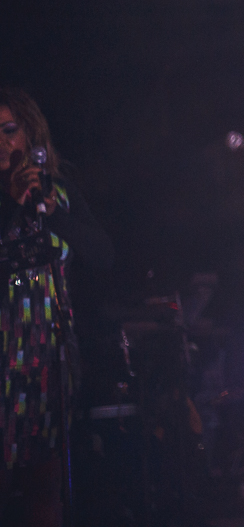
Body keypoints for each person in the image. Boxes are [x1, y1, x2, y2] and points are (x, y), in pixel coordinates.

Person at [0, 88, 114, 527]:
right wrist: (12, 204)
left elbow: (104, 255)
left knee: (45, 486)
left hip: (50, 352)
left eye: (10, 130)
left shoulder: (58, 191)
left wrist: (50, 210)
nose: (4, 142)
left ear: (29, 133)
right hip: (4, 352)